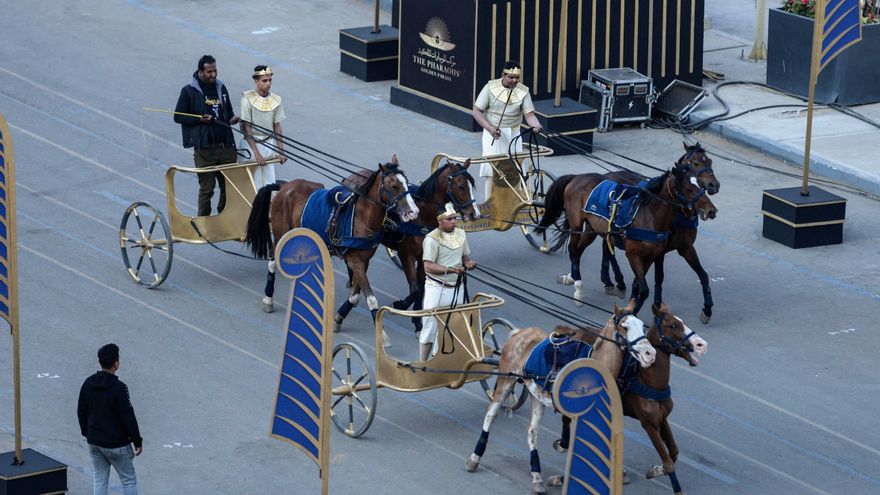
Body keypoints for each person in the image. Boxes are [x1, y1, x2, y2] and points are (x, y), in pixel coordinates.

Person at [174, 54, 240, 216]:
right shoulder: (189, 91)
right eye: (209, 72)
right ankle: (203, 222)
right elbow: (178, 116)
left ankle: (224, 216)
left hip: (226, 147)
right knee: (207, 189)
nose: (213, 75)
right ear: (200, 72)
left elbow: (229, 112)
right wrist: (199, 120)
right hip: (205, 150)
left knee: (229, 186)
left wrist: (233, 119)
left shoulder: (221, 88)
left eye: (215, 71)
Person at [472, 60, 543, 200]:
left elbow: (529, 114)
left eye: (517, 78)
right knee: (492, 169)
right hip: (493, 133)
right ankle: (489, 202)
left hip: (514, 133)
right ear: (503, 75)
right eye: (511, 77)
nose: (514, 80)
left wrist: (536, 125)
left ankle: (513, 202)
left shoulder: (523, 91)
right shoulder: (490, 87)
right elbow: (476, 111)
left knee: (516, 169)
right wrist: (490, 128)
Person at [77, 343, 143, 495]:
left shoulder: (88, 383)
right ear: (116, 364)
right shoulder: (119, 388)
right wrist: (137, 441)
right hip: (117, 444)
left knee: (100, 479)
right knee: (128, 480)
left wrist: (87, 433)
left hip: (95, 441)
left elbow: (81, 410)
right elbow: (128, 416)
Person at [419, 203, 477, 361]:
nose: (453, 222)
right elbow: (428, 267)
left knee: (451, 326)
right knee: (430, 327)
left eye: (455, 218)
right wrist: (451, 269)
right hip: (437, 288)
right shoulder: (431, 239)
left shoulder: (461, 234)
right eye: (449, 219)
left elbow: (464, 256)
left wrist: (468, 263)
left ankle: (439, 360)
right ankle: (423, 364)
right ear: (440, 221)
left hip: (456, 287)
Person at [239, 65, 287, 188]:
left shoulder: (276, 100)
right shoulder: (246, 100)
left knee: (269, 183)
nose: (268, 84)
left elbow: (277, 127)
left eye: (270, 80)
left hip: (268, 144)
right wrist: (256, 153)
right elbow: (247, 128)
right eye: (264, 80)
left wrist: (281, 152)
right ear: (256, 81)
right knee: (253, 185)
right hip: (251, 146)